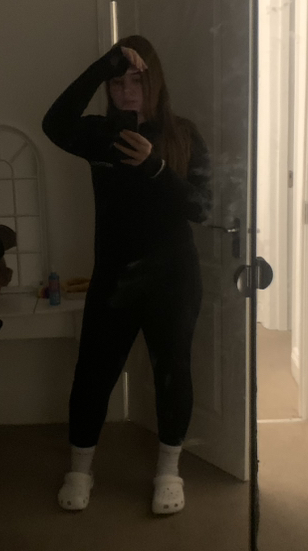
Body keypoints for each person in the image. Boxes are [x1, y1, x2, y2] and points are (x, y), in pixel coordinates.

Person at [41, 35, 212, 515]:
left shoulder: (183, 135)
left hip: (173, 278)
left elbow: (204, 207)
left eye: (136, 80)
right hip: (114, 279)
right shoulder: (101, 135)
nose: (126, 91)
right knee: (92, 374)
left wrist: (156, 167)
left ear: (154, 83)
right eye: (117, 83)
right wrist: (103, 64)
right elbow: (53, 123)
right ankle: (80, 469)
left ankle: (169, 472)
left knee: (172, 373)